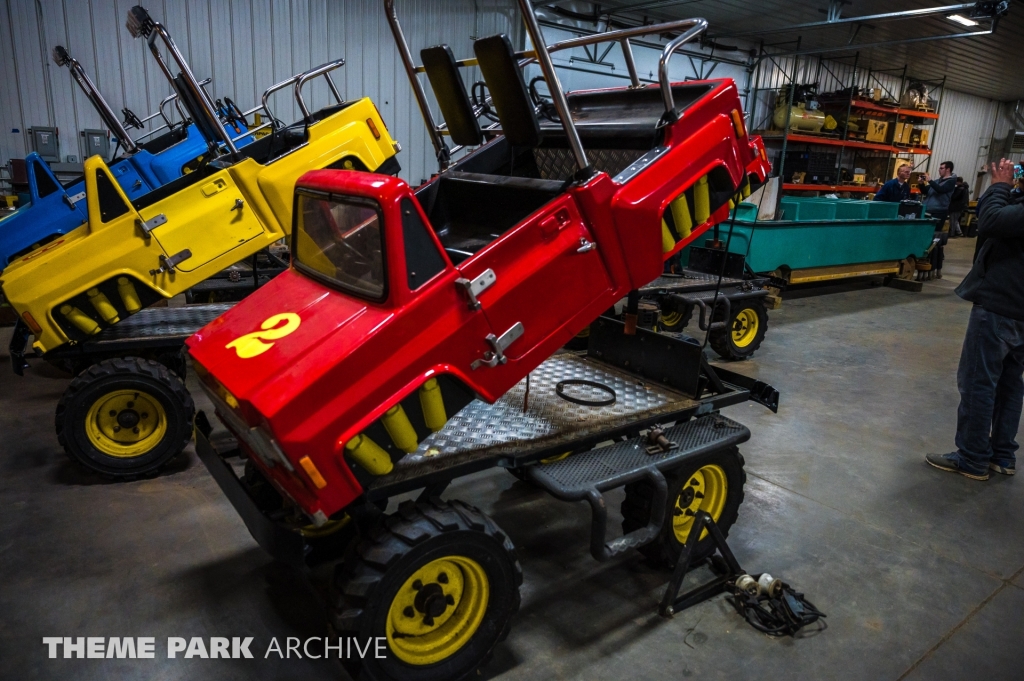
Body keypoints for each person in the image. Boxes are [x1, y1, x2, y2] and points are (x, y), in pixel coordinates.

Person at [926, 159, 1024, 480]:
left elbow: (991, 220)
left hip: (1000, 306)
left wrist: (999, 186)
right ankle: (1002, 455)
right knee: (1010, 384)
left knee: (979, 382)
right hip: (1017, 309)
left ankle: (972, 457)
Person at [919, 161, 957, 278]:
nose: (939, 170)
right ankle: (925, 262)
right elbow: (926, 191)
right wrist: (921, 184)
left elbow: (941, 190)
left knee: (935, 239)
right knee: (926, 239)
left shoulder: (951, 182)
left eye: (941, 168)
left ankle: (934, 265)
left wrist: (930, 181)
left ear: (948, 169)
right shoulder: (937, 181)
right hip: (928, 210)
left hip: (939, 212)